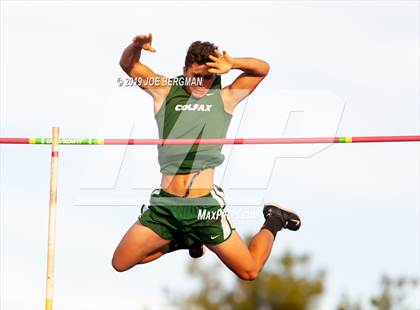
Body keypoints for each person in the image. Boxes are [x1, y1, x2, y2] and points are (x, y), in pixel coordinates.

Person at [112, 33, 301, 280]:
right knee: (122, 262)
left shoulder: (225, 97)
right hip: (167, 206)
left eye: (209, 77)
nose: (202, 82)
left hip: (204, 208)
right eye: (196, 76)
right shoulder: (165, 90)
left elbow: (262, 69)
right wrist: (135, 47)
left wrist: (234, 64)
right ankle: (183, 241)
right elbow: (129, 65)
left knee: (250, 270)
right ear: (184, 70)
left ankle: (275, 218)